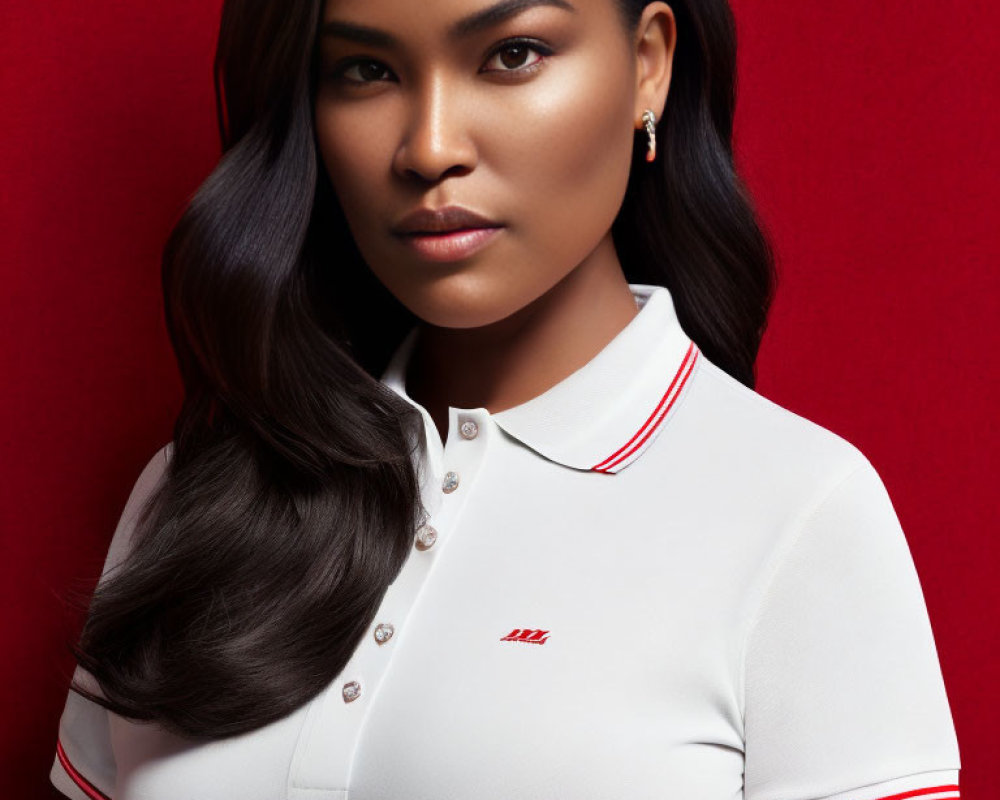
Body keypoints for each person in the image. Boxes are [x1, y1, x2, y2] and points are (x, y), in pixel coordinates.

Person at [50, 1, 962, 798]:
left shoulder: (798, 510)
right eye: (365, 70)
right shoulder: (195, 494)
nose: (431, 147)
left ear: (648, 64)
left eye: (512, 55)